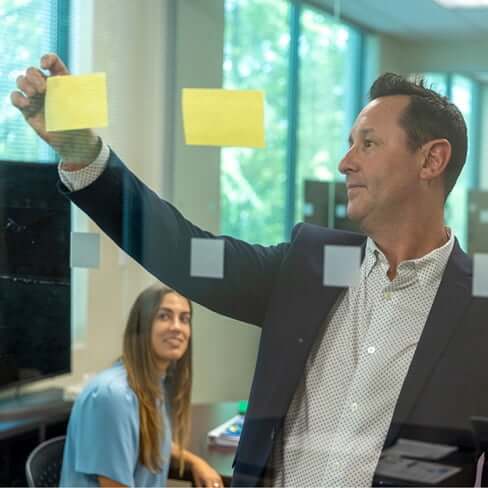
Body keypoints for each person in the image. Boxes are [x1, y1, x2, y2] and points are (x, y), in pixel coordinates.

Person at [12, 53, 488, 487]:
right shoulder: (311, 265)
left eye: (368, 144)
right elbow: (181, 252)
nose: (346, 163)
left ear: (432, 159)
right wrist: (80, 152)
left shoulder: (477, 308)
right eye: (350, 144)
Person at [59, 283, 224, 488]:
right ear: (142, 326)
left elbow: (152, 440)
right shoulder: (114, 396)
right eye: (164, 316)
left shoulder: (151, 384)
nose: (177, 327)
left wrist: (194, 462)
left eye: (184, 319)